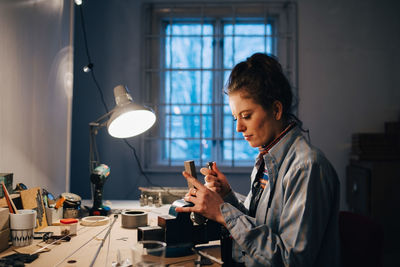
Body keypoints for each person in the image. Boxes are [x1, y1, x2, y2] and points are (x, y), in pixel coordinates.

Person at [175, 53, 341, 267]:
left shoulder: (307, 167)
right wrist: (226, 197)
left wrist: (222, 212)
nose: (238, 128)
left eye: (246, 116)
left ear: (276, 109)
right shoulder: (266, 157)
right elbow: (261, 229)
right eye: (236, 118)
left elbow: (292, 260)